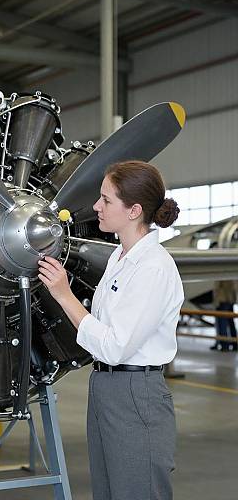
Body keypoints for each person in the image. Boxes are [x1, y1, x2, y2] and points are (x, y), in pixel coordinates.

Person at [38, 160, 184, 500]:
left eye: (106, 200)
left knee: (137, 491)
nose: (95, 207)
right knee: (107, 491)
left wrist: (63, 294)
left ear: (133, 211)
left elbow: (115, 346)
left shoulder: (153, 268)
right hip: (106, 385)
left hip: (135, 391)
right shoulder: (120, 258)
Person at [211, 280, 238, 352]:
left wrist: (216, 302)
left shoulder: (220, 277)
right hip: (230, 300)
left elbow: (216, 288)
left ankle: (224, 345)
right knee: (231, 323)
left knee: (222, 324)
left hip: (222, 300)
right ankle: (235, 344)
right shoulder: (231, 276)